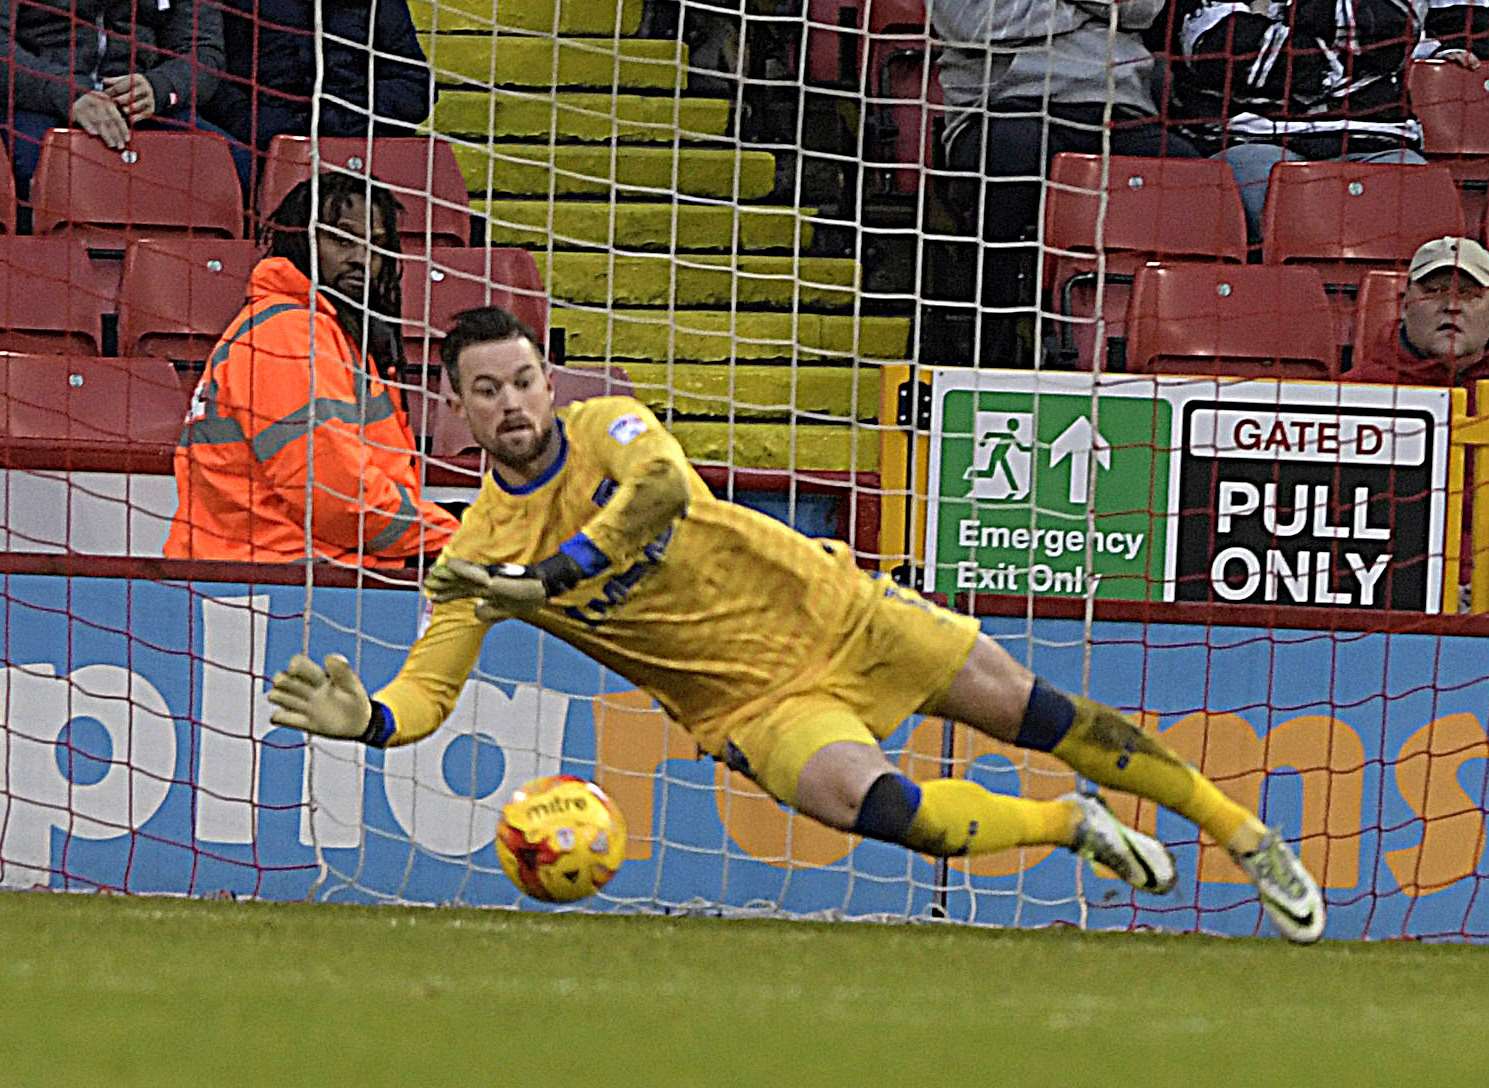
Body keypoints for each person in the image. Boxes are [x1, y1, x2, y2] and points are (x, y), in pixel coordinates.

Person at [266, 305, 1328, 943]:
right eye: (485, 389)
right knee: (882, 809)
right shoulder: (471, 555)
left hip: (838, 607)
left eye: (524, 379)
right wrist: (366, 720)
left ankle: (1244, 833)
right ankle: (1068, 826)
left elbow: (664, 485)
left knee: (1036, 710)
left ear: (549, 380)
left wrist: (554, 578)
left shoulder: (605, 425)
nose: (512, 403)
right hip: (752, 702)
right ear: (452, 406)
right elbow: (428, 692)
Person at [164, 172, 458, 567]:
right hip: (280, 583)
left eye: (376, 244)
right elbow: (335, 498)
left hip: (277, 575)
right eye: (341, 239)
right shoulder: (292, 332)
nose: (361, 257)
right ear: (302, 240)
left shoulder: (321, 329)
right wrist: (453, 537)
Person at [931, 0, 1201, 367]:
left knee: (1193, 181)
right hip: (1004, 104)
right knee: (1010, 159)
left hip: (1117, 106)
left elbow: (1143, 9)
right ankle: (991, 345)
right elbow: (971, 23)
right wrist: (1094, 13)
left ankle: (1167, 347)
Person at [1172, 0, 1474, 241]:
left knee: (1423, 212)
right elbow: (1219, 48)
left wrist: (1284, 19)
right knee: (1274, 219)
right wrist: (1342, 55)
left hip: (1373, 137)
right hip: (1259, 139)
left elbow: (1388, 29)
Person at [0, 0, 250, 195]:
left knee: (235, 166)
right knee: (32, 173)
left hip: (141, 105)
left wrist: (160, 87)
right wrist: (68, 93)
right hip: (35, 99)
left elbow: (204, 52)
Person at [204, 0, 436, 155]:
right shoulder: (239, 5)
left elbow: (415, 85)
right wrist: (265, 125)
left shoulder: (379, 4)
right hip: (260, 147)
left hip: (361, 145)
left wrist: (338, 117)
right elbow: (211, 75)